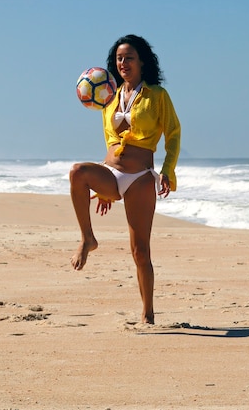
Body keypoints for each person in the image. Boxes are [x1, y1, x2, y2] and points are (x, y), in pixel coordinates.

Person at [69, 34, 181, 324]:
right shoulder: (108, 97)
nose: (123, 63)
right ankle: (87, 238)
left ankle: (148, 313)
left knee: (140, 251)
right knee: (77, 172)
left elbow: (173, 134)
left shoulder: (157, 96)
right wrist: (105, 190)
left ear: (142, 61)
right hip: (112, 171)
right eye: (119, 58)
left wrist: (167, 171)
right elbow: (109, 139)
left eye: (129, 57)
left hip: (140, 177)